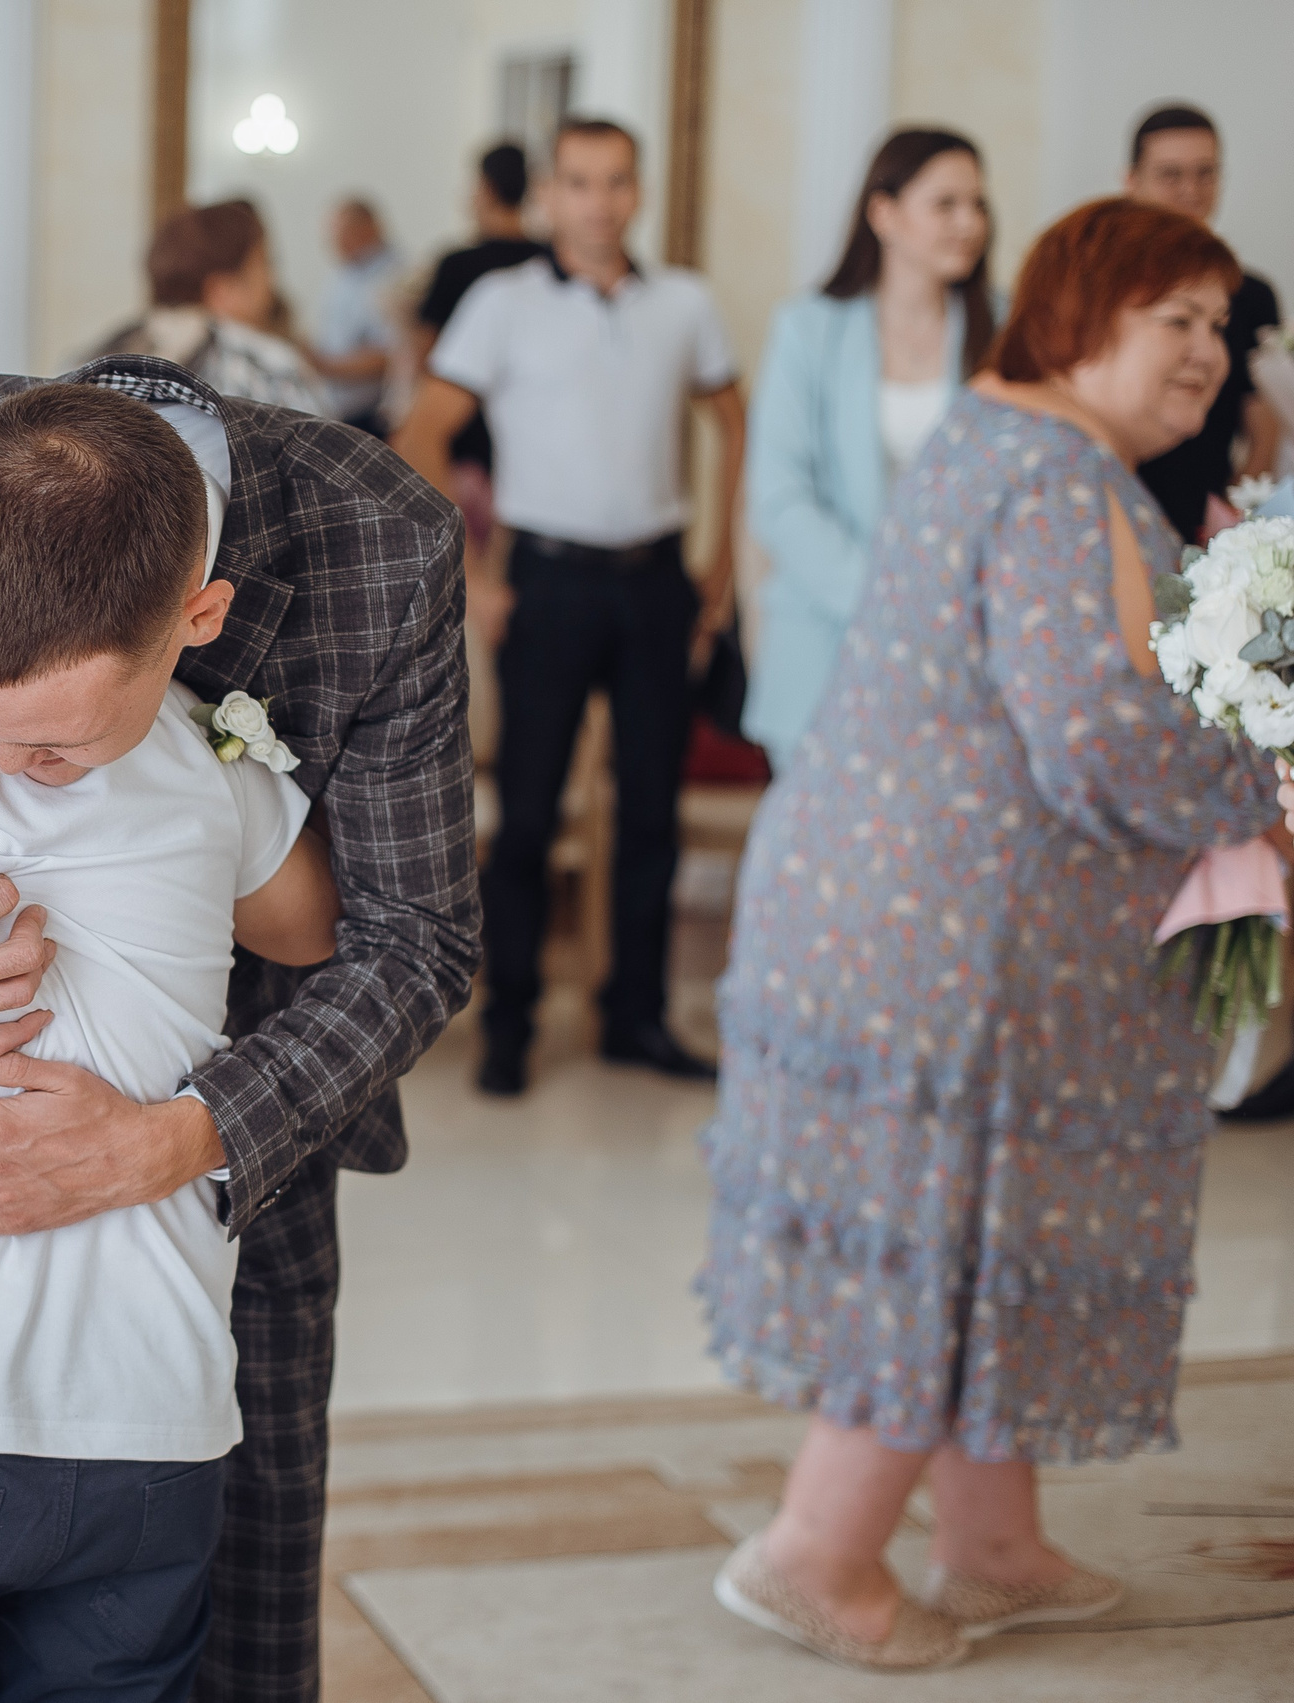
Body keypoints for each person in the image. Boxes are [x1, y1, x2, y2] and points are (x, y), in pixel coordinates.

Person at [0, 349, 474, 1703]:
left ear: (197, 621)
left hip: (230, 1179)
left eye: (52, 747)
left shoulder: (383, 543)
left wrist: (176, 1140)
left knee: (233, 1642)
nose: (8, 780)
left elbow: (415, 935)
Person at [701, 197, 1279, 1672]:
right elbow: (1090, 735)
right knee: (947, 1230)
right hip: (951, 941)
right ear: (1079, 314)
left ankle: (991, 1547)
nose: (1210, 353)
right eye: (1179, 321)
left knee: (986, 1221)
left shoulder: (1015, 442)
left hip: (925, 918)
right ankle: (816, 1553)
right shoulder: (1046, 476)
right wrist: (1262, 778)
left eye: (1223, 326)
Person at [390, 116, 744, 1096]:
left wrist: (718, 563)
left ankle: (633, 1014)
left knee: (651, 809)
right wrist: (478, 574)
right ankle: (509, 1021)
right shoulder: (502, 303)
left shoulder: (682, 302)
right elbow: (422, 430)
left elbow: (730, 418)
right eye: (579, 183)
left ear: (638, 192)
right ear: (551, 195)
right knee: (531, 810)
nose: (598, 202)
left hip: (655, 579)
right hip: (545, 580)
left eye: (616, 182)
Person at [741, 129, 995, 769]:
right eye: (946, 204)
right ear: (883, 214)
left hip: (964, 644)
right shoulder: (807, 329)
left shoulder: (1006, 331)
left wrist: (941, 613)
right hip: (825, 635)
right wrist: (885, 600)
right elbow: (780, 498)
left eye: (978, 204)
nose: (970, 223)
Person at [1125, 105, 1281, 541]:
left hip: (1206, 523)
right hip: (1119, 507)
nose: (1190, 191)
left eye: (1205, 173)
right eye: (1171, 175)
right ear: (1131, 182)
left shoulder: (1250, 294)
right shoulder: (1103, 291)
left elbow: (1263, 423)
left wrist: (1231, 524)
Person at [406, 141, 546, 548]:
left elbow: (425, 353)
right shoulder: (544, 261)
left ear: (484, 189)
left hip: (463, 436)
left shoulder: (457, 264)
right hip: (530, 437)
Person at [103, 200, 332, 416]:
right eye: (264, 263)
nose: (271, 281)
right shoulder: (274, 370)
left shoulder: (102, 356)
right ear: (222, 289)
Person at [310, 197, 401, 433]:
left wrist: (324, 365)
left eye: (343, 233)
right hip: (338, 409)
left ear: (369, 227)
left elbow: (390, 355)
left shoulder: (396, 275)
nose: (335, 243)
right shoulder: (343, 275)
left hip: (374, 415)